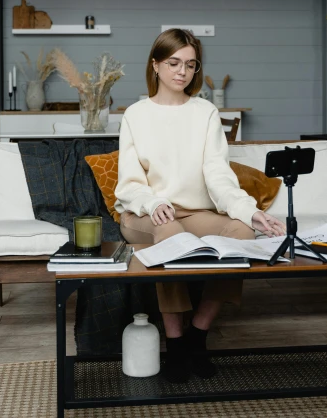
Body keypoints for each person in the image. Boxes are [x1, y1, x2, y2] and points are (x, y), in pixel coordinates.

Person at [114, 28, 286, 382]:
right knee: (169, 231)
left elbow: (218, 175)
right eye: (174, 62)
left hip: (196, 213)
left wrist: (249, 210)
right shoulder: (135, 114)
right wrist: (151, 202)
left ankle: (198, 334)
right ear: (156, 65)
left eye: (190, 65)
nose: (182, 71)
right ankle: (175, 343)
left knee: (241, 231)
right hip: (144, 214)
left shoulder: (205, 113)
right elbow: (129, 184)